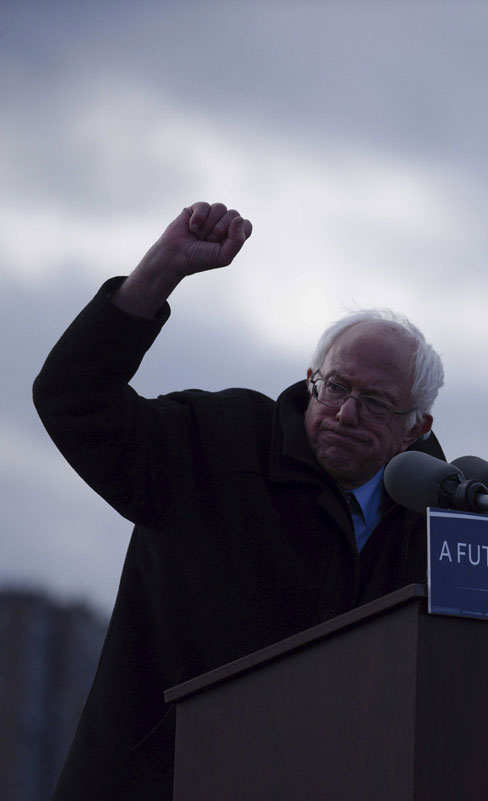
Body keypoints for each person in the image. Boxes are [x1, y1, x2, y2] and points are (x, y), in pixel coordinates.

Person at [32, 202, 446, 800]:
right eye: (333, 388)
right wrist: (159, 273)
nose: (345, 413)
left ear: (415, 427)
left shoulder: (437, 519)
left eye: (375, 403)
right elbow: (74, 398)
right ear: (311, 381)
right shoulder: (212, 441)